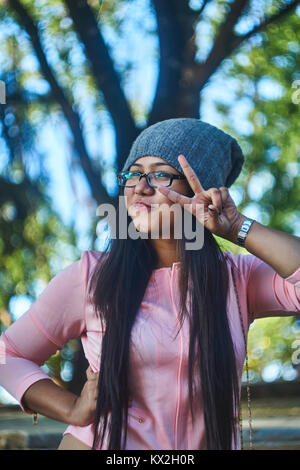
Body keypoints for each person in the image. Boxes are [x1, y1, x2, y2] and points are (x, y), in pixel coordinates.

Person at [0, 118, 299, 451]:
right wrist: (73, 408)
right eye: (133, 173)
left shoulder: (236, 277)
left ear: (200, 190)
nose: (140, 187)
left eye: (159, 174)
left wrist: (238, 227)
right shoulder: (91, 276)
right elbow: (6, 354)